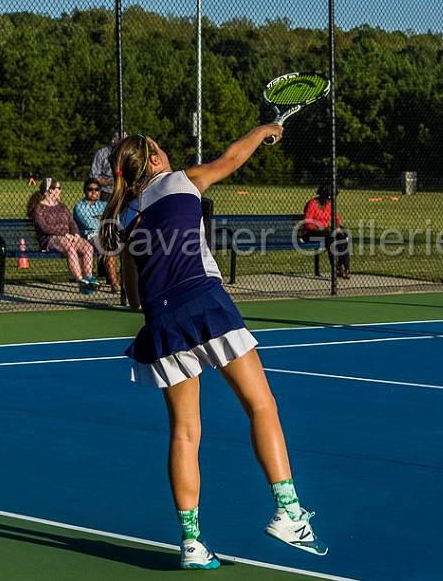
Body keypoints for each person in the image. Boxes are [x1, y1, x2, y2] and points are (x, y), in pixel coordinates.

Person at [100, 128, 327, 570]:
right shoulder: (182, 180)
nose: (166, 151)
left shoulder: (124, 216)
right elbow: (232, 158)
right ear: (151, 161)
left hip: (162, 324)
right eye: (159, 148)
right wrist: (263, 131)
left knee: (185, 433)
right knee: (262, 407)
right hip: (205, 303)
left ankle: (191, 544)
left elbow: (132, 297)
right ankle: (290, 513)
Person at [27, 178, 97, 294]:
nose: (60, 191)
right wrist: (64, 234)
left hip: (68, 237)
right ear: (50, 191)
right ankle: (81, 282)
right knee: (70, 247)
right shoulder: (38, 208)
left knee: (88, 247)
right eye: (59, 188)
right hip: (49, 239)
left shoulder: (62, 206)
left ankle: (88, 280)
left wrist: (76, 234)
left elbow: (72, 223)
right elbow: (44, 228)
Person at [73, 177, 119, 292]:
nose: (94, 192)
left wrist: (100, 219)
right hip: (90, 237)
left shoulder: (104, 205)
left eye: (97, 189)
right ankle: (115, 284)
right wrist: (104, 220)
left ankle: (123, 281)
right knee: (108, 247)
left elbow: (116, 219)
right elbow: (89, 224)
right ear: (85, 191)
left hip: (107, 234)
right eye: (90, 189)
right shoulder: (79, 207)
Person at [301, 184, 351, 279]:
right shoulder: (312, 203)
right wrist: (323, 228)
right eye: (328, 198)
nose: (330, 201)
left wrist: (338, 227)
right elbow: (308, 224)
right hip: (310, 233)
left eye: (332, 198)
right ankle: (335, 268)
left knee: (343, 238)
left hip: (326, 233)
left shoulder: (329, 205)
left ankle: (344, 267)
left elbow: (336, 219)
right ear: (322, 195)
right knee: (330, 239)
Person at [90, 132, 122, 198]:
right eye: (121, 139)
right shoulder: (101, 153)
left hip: (124, 191)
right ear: (113, 140)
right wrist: (113, 181)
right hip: (107, 192)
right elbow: (94, 176)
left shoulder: (128, 153)